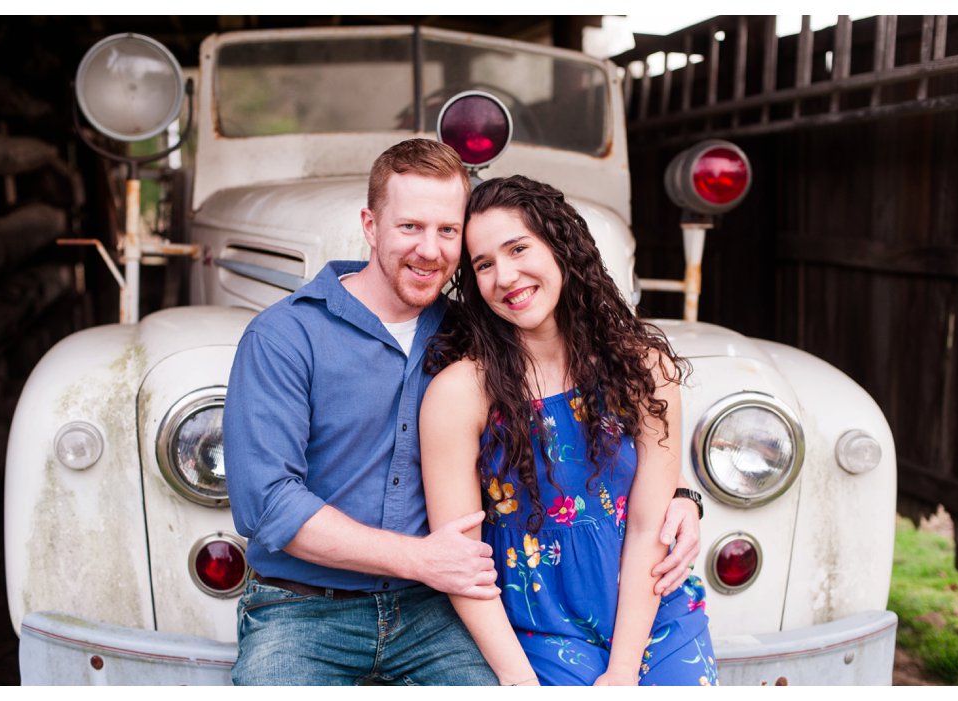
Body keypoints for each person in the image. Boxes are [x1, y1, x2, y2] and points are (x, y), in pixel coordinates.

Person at [223, 139, 702, 685]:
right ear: (370, 224)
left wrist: (681, 493)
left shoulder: (478, 330)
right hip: (304, 609)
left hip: (433, 612)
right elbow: (268, 504)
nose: (430, 250)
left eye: (447, 231)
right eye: (410, 227)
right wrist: (419, 560)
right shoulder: (285, 336)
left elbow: (587, 415)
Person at [420, 174, 718, 686]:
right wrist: (521, 684)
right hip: (536, 629)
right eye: (484, 264)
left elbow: (649, 525)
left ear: (560, 247)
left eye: (518, 248)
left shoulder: (646, 368)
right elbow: (461, 563)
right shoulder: (460, 392)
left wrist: (623, 671)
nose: (506, 276)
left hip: (652, 612)